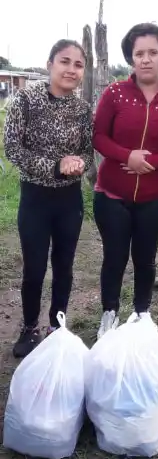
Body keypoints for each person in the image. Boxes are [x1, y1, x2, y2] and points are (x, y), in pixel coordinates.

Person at [92, 23, 158, 337]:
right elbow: (98, 136)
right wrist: (126, 156)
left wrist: (151, 162)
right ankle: (109, 313)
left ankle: (141, 314)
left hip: (156, 197)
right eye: (139, 54)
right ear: (131, 59)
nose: (146, 59)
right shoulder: (115, 93)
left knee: (145, 258)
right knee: (115, 256)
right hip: (112, 195)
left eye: (153, 53)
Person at [3, 40, 94, 357]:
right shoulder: (25, 100)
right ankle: (29, 328)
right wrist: (55, 166)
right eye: (64, 61)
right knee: (34, 268)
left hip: (69, 201)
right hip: (35, 200)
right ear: (50, 64)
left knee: (65, 266)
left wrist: (79, 163)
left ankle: (57, 326)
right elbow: (13, 149)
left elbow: (87, 152)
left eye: (78, 64)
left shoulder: (82, 110)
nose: (71, 69)